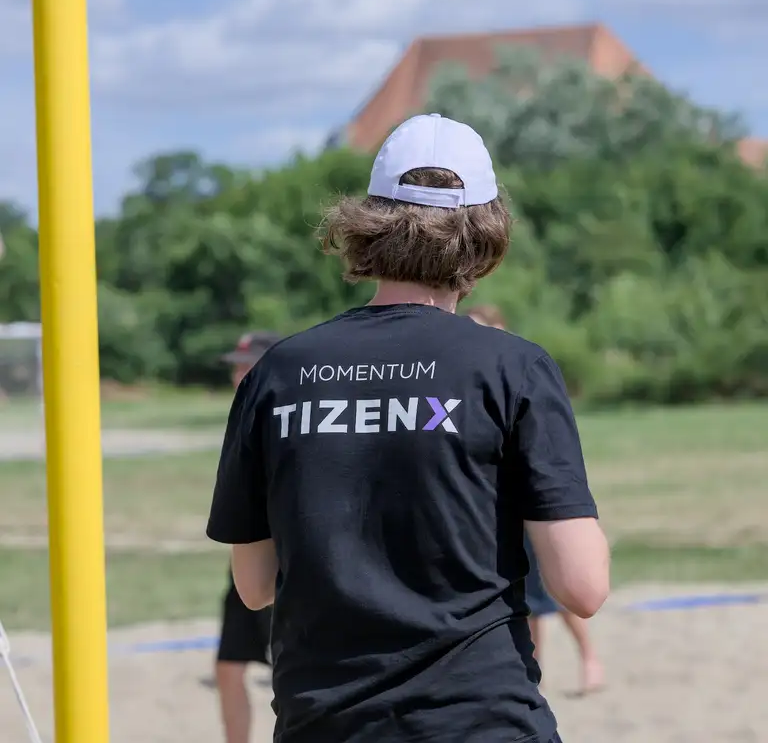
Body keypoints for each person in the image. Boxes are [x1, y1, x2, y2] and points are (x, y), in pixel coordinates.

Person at [206, 113, 610, 742]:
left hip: (324, 723)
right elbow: (582, 587)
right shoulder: (512, 366)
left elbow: (255, 586)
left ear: (368, 222)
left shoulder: (278, 372)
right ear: (487, 230)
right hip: (479, 720)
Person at [466, 304, 606, 695]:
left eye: (479, 327)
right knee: (524, 599)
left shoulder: (522, 367)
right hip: (499, 510)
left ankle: (590, 659)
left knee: (559, 593)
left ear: (499, 327)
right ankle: (533, 672)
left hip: (533, 508)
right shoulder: (476, 374)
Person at [216, 331, 281, 743]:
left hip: (282, 564)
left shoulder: (287, 413)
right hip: (245, 565)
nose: (239, 373)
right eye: (237, 367)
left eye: (248, 365)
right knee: (227, 668)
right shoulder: (243, 414)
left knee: (289, 676)